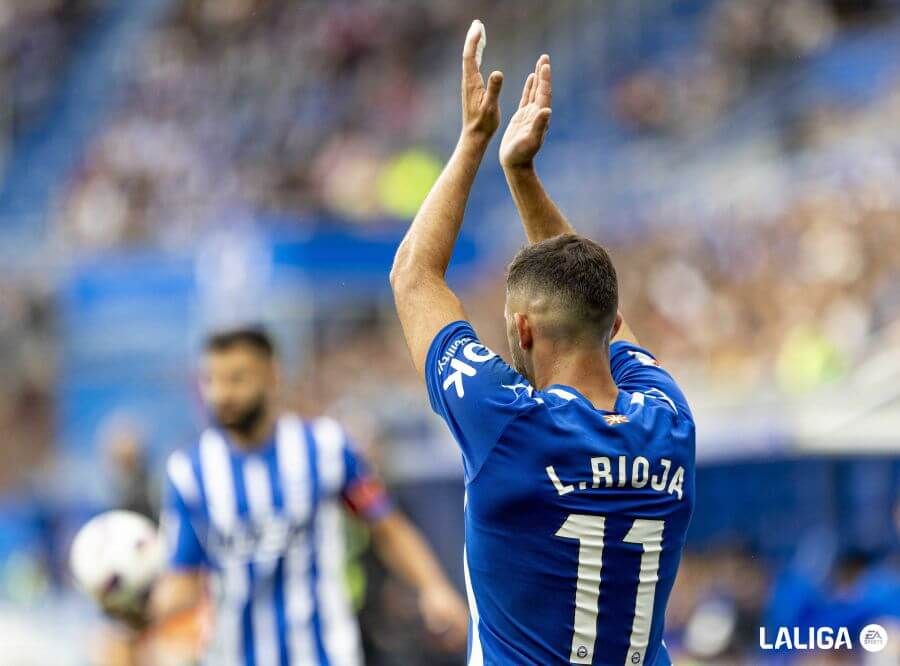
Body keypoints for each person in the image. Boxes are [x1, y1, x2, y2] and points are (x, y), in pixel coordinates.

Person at [389, 20, 696, 666]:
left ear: (522, 330)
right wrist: (523, 176)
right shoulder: (668, 419)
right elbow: (590, 288)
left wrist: (476, 137)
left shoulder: (509, 424)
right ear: (613, 328)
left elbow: (414, 276)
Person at [153, 327, 468, 665]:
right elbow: (181, 579)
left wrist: (434, 587)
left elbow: (386, 525)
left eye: (236, 379)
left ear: (272, 375)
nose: (222, 394)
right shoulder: (189, 472)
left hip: (325, 654)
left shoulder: (326, 447)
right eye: (211, 380)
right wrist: (134, 607)